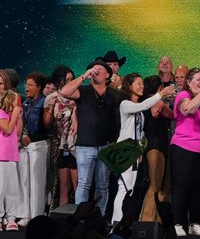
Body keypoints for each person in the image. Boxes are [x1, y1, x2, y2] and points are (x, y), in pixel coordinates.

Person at [58, 60, 121, 215]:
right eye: (93, 68)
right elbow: (64, 92)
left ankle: (99, 217)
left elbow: (118, 118)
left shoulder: (114, 94)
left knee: (103, 185)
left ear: (107, 75)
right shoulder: (84, 90)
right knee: (84, 184)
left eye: (99, 68)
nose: (95, 70)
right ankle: (81, 218)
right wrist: (83, 76)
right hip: (85, 145)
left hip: (105, 145)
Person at [110, 74, 174, 225]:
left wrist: (140, 150)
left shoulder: (137, 109)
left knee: (130, 189)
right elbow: (143, 106)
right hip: (124, 149)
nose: (141, 86)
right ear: (129, 86)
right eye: (138, 83)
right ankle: (116, 223)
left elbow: (140, 132)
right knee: (124, 188)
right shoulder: (125, 104)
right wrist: (161, 94)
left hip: (134, 151)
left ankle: (123, 224)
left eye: (142, 83)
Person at [169, 68, 200, 236]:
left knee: (197, 187)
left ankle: (195, 222)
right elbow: (187, 109)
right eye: (198, 79)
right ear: (189, 83)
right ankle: (176, 222)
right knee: (182, 185)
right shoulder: (184, 95)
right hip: (184, 146)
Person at [138, 75, 174, 222]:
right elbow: (170, 115)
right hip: (155, 146)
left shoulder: (143, 102)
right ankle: (146, 221)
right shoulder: (156, 102)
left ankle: (157, 221)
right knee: (155, 185)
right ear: (160, 88)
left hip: (155, 145)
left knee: (160, 186)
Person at [16, 72, 49, 225]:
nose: (26, 87)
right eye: (26, 84)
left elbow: (46, 126)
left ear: (39, 87)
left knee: (36, 182)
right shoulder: (26, 103)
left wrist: (32, 137)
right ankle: (25, 214)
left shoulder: (44, 101)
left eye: (30, 85)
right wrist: (22, 136)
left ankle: (36, 216)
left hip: (38, 144)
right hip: (24, 144)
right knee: (24, 180)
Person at [43, 66, 77, 210]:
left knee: (77, 183)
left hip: (76, 144)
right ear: (59, 80)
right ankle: (62, 216)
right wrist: (52, 108)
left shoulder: (77, 95)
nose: (69, 82)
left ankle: (80, 215)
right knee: (63, 185)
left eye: (71, 79)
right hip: (61, 145)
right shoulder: (51, 98)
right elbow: (46, 123)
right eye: (67, 79)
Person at [0, 91, 22, 228]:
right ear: (9, 100)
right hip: (2, 156)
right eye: (16, 100)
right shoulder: (1, 113)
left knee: (12, 189)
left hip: (12, 155)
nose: (18, 103)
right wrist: (14, 115)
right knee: (1, 188)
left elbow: (18, 132)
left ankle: (11, 218)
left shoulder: (12, 115)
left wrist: (18, 117)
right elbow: (7, 129)